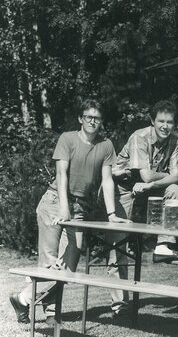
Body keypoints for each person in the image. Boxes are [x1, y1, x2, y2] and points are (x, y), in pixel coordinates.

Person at [9, 99, 129, 325]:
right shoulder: (67, 139)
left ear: (101, 121)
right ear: (80, 119)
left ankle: (22, 299)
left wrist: (112, 214)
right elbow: (62, 174)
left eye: (97, 118)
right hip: (54, 202)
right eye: (88, 117)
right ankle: (52, 314)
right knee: (50, 262)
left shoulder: (106, 145)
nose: (93, 121)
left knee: (70, 263)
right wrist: (64, 207)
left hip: (80, 209)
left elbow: (107, 179)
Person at [108, 99, 178, 317]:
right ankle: (120, 304)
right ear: (152, 121)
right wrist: (162, 177)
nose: (165, 126)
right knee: (120, 244)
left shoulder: (177, 140)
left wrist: (154, 183)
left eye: (170, 122)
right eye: (160, 121)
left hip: (148, 188)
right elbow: (144, 174)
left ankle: (165, 243)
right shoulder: (139, 137)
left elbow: (176, 177)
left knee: (175, 189)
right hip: (123, 187)